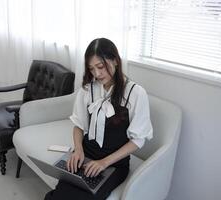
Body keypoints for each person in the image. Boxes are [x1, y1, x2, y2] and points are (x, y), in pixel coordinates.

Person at [44, 38, 153, 200]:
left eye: (100, 67)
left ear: (115, 61)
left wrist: (104, 163)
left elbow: (137, 141)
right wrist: (78, 150)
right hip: (86, 154)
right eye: (91, 69)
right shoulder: (88, 89)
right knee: (59, 195)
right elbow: (79, 125)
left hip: (115, 163)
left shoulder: (136, 93)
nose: (96, 74)